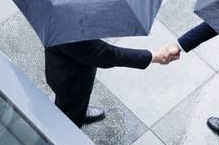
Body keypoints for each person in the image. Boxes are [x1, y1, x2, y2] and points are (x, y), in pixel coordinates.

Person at [46, 40, 174, 128]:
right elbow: (109, 55)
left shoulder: (56, 17)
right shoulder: (73, 36)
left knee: (71, 104)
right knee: (70, 110)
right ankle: (69, 126)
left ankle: (77, 113)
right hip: (71, 84)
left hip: (61, 70)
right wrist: (155, 56)